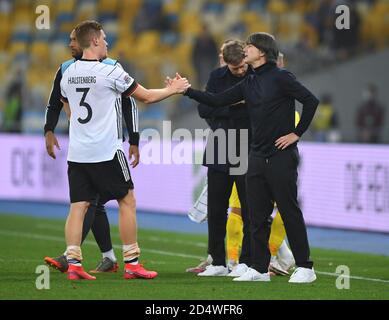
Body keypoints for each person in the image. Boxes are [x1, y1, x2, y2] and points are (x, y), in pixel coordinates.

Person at [181, 32, 319, 283]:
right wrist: (187, 90)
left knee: (288, 210)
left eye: (249, 46)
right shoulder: (250, 82)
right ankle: (258, 267)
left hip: (280, 155)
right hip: (256, 155)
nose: (245, 49)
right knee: (256, 214)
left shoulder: (281, 77)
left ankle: (305, 267)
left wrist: (296, 134)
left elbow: (311, 101)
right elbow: (216, 99)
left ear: (262, 51)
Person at [58, 20, 189, 280]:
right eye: (104, 38)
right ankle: (132, 263)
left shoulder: (67, 72)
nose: (107, 42)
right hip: (105, 151)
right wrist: (173, 89)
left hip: (78, 152)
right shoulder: (110, 71)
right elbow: (146, 97)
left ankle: (73, 265)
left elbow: (66, 104)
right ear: (94, 41)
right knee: (127, 200)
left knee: (78, 206)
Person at [43, 29, 140, 274]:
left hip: (106, 146)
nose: (70, 43)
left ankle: (74, 257)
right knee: (91, 203)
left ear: (87, 41)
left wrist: (134, 139)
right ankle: (106, 258)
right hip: (88, 147)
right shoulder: (66, 69)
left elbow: (131, 103)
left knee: (87, 203)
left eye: (73, 39)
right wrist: (49, 129)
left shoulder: (110, 67)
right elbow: (55, 102)